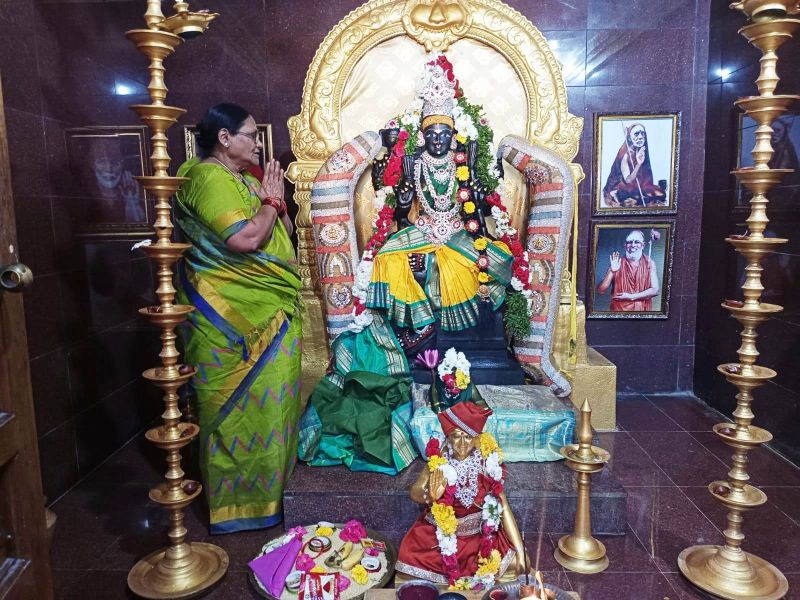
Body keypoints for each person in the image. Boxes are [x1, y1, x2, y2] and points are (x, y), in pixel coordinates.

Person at [174, 103, 302, 533]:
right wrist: (270, 201)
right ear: (224, 138)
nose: (258, 143)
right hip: (232, 321)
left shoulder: (245, 179)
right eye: (251, 135)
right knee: (236, 410)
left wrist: (276, 205)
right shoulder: (206, 177)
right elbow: (245, 238)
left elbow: (281, 232)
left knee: (276, 405)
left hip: (271, 308)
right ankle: (238, 507)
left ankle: (275, 496)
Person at [396, 402, 526, 586]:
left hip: (479, 537)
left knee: (517, 564)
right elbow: (415, 491)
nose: (463, 444)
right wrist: (429, 495)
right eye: (456, 436)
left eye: (468, 437)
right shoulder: (439, 461)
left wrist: (520, 553)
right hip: (439, 536)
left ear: (477, 438)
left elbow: (503, 506)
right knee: (407, 561)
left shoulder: (487, 463)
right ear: (448, 437)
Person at [602, 123, 666, 208]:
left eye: (642, 133)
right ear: (629, 137)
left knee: (661, 194)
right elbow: (628, 180)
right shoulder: (625, 155)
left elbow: (645, 179)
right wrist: (638, 164)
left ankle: (641, 198)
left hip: (640, 187)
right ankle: (619, 195)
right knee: (634, 197)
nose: (640, 137)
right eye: (636, 134)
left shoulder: (642, 150)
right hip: (625, 187)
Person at [596, 229, 660, 312]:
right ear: (625, 245)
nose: (633, 245)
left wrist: (631, 297)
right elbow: (601, 290)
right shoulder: (617, 262)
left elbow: (655, 290)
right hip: (619, 312)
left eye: (637, 242)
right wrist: (612, 271)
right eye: (629, 242)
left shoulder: (649, 262)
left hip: (642, 313)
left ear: (643, 245)